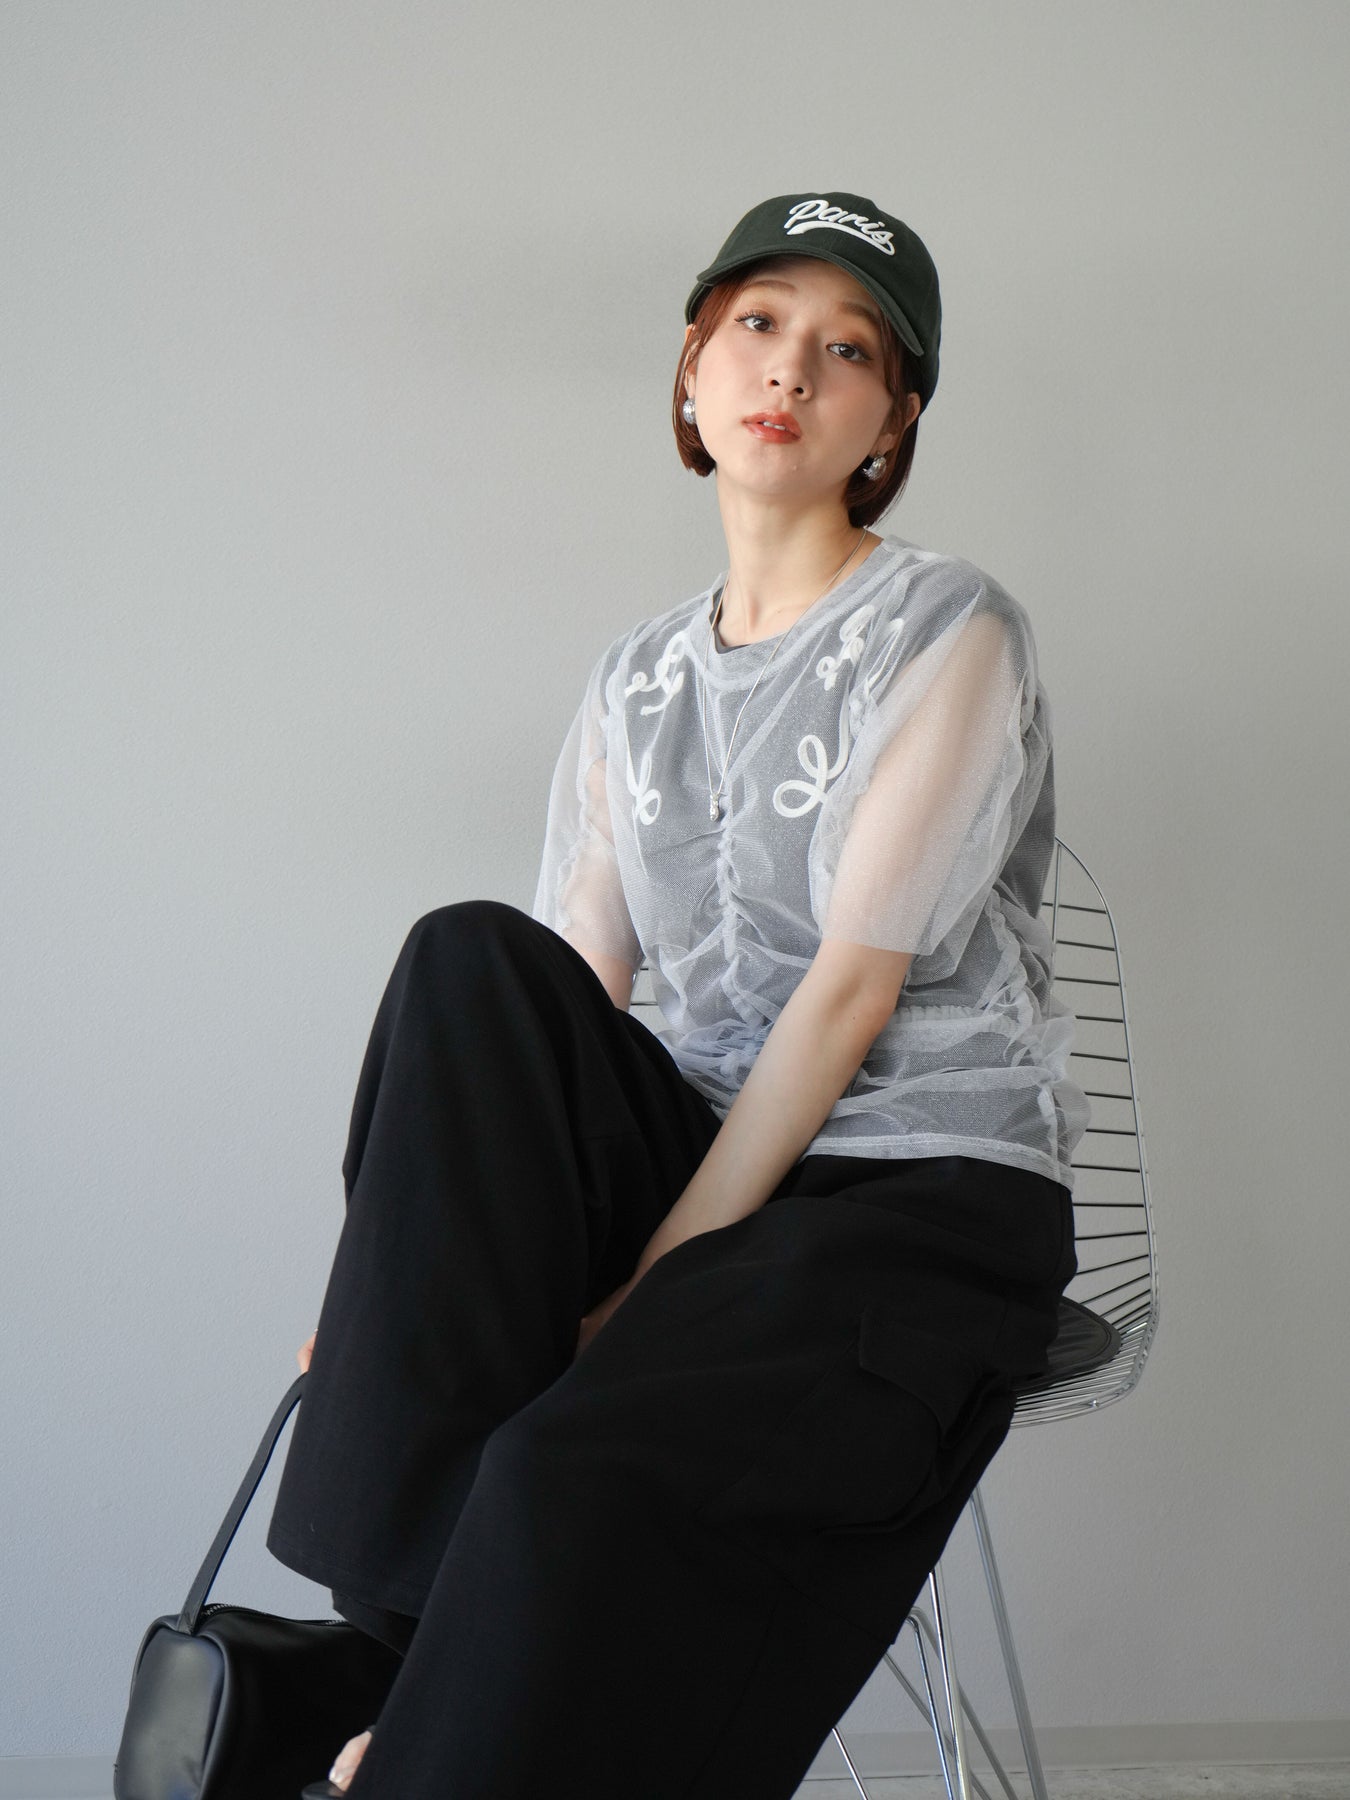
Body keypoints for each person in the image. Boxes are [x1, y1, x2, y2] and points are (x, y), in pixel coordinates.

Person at [266, 189, 1087, 1800]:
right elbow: (560, 1016)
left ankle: (402, 1744)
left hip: (910, 1192)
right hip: (706, 1151)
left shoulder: (948, 626)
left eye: (849, 352)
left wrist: (646, 1286)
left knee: (570, 1464)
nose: (791, 369)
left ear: (889, 423)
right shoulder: (633, 677)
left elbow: (849, 997)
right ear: (694, 372)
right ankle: (407, 1679)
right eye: (758, 325)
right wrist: (397, 1286)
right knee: (467, 954)